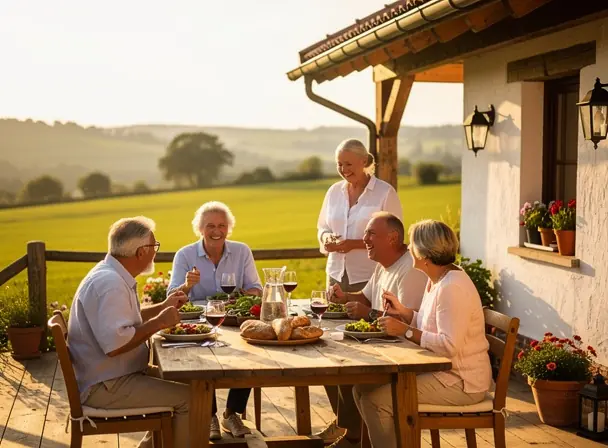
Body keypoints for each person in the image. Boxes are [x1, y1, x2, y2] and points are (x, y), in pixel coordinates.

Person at [353, 219, 492, 448]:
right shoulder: (437, 280)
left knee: (375, 401)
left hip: (462, 382)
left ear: (425, 253)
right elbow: (433, 323)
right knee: (362, 388)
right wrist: (406, 313)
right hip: (442, 372)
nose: (408, 248)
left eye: (412, 244)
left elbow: (449, 345)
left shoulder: (451, 287)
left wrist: (405, 331)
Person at [68, 216, 191, 448]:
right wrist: (159, 322)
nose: (156, 251)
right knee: (193, 399)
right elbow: (115, 345)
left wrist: (163, 307)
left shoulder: (110, 274)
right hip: (106, 385)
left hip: (111, 376)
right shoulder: (110, 284)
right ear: (141, 252)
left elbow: (125, 319)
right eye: (154, 246)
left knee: (191, 383)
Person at [321, 212, 428, 447]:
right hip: (378, 342)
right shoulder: (382, 264)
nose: (364, 238)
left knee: (344, 372)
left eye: (370, 233)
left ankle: (353, 437)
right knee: (329, 367)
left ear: (392, 238)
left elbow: (406, 323)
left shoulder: (410, 269)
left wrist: (367, 313)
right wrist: (344, 296)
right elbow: (366, 298)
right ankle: (351, 432)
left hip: (401, 354)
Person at [168, 201, 261, 439]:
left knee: (248, 354)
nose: (216, 230)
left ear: (229, 228)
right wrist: (187, 286)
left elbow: (255, 289)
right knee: (201, 362)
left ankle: (232, 414)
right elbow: (172, 298)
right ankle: (208, 415)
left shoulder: (241, 251)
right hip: (199, 323)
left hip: (233, 320)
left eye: (222, 225)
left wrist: (239, 297)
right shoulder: (186, 255)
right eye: (210, 225)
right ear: (200, 229)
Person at [317, 138, 402, 294]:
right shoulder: (334, 191)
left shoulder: (385, 192)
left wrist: (353, 244)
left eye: (348, 164)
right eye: (339, 164)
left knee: (364, 318)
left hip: (370, 277)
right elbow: (323, 226)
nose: (343, 169)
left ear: (363, 161)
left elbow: (394, 238)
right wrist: (326, 238)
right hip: (335, 275)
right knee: (331, 317)